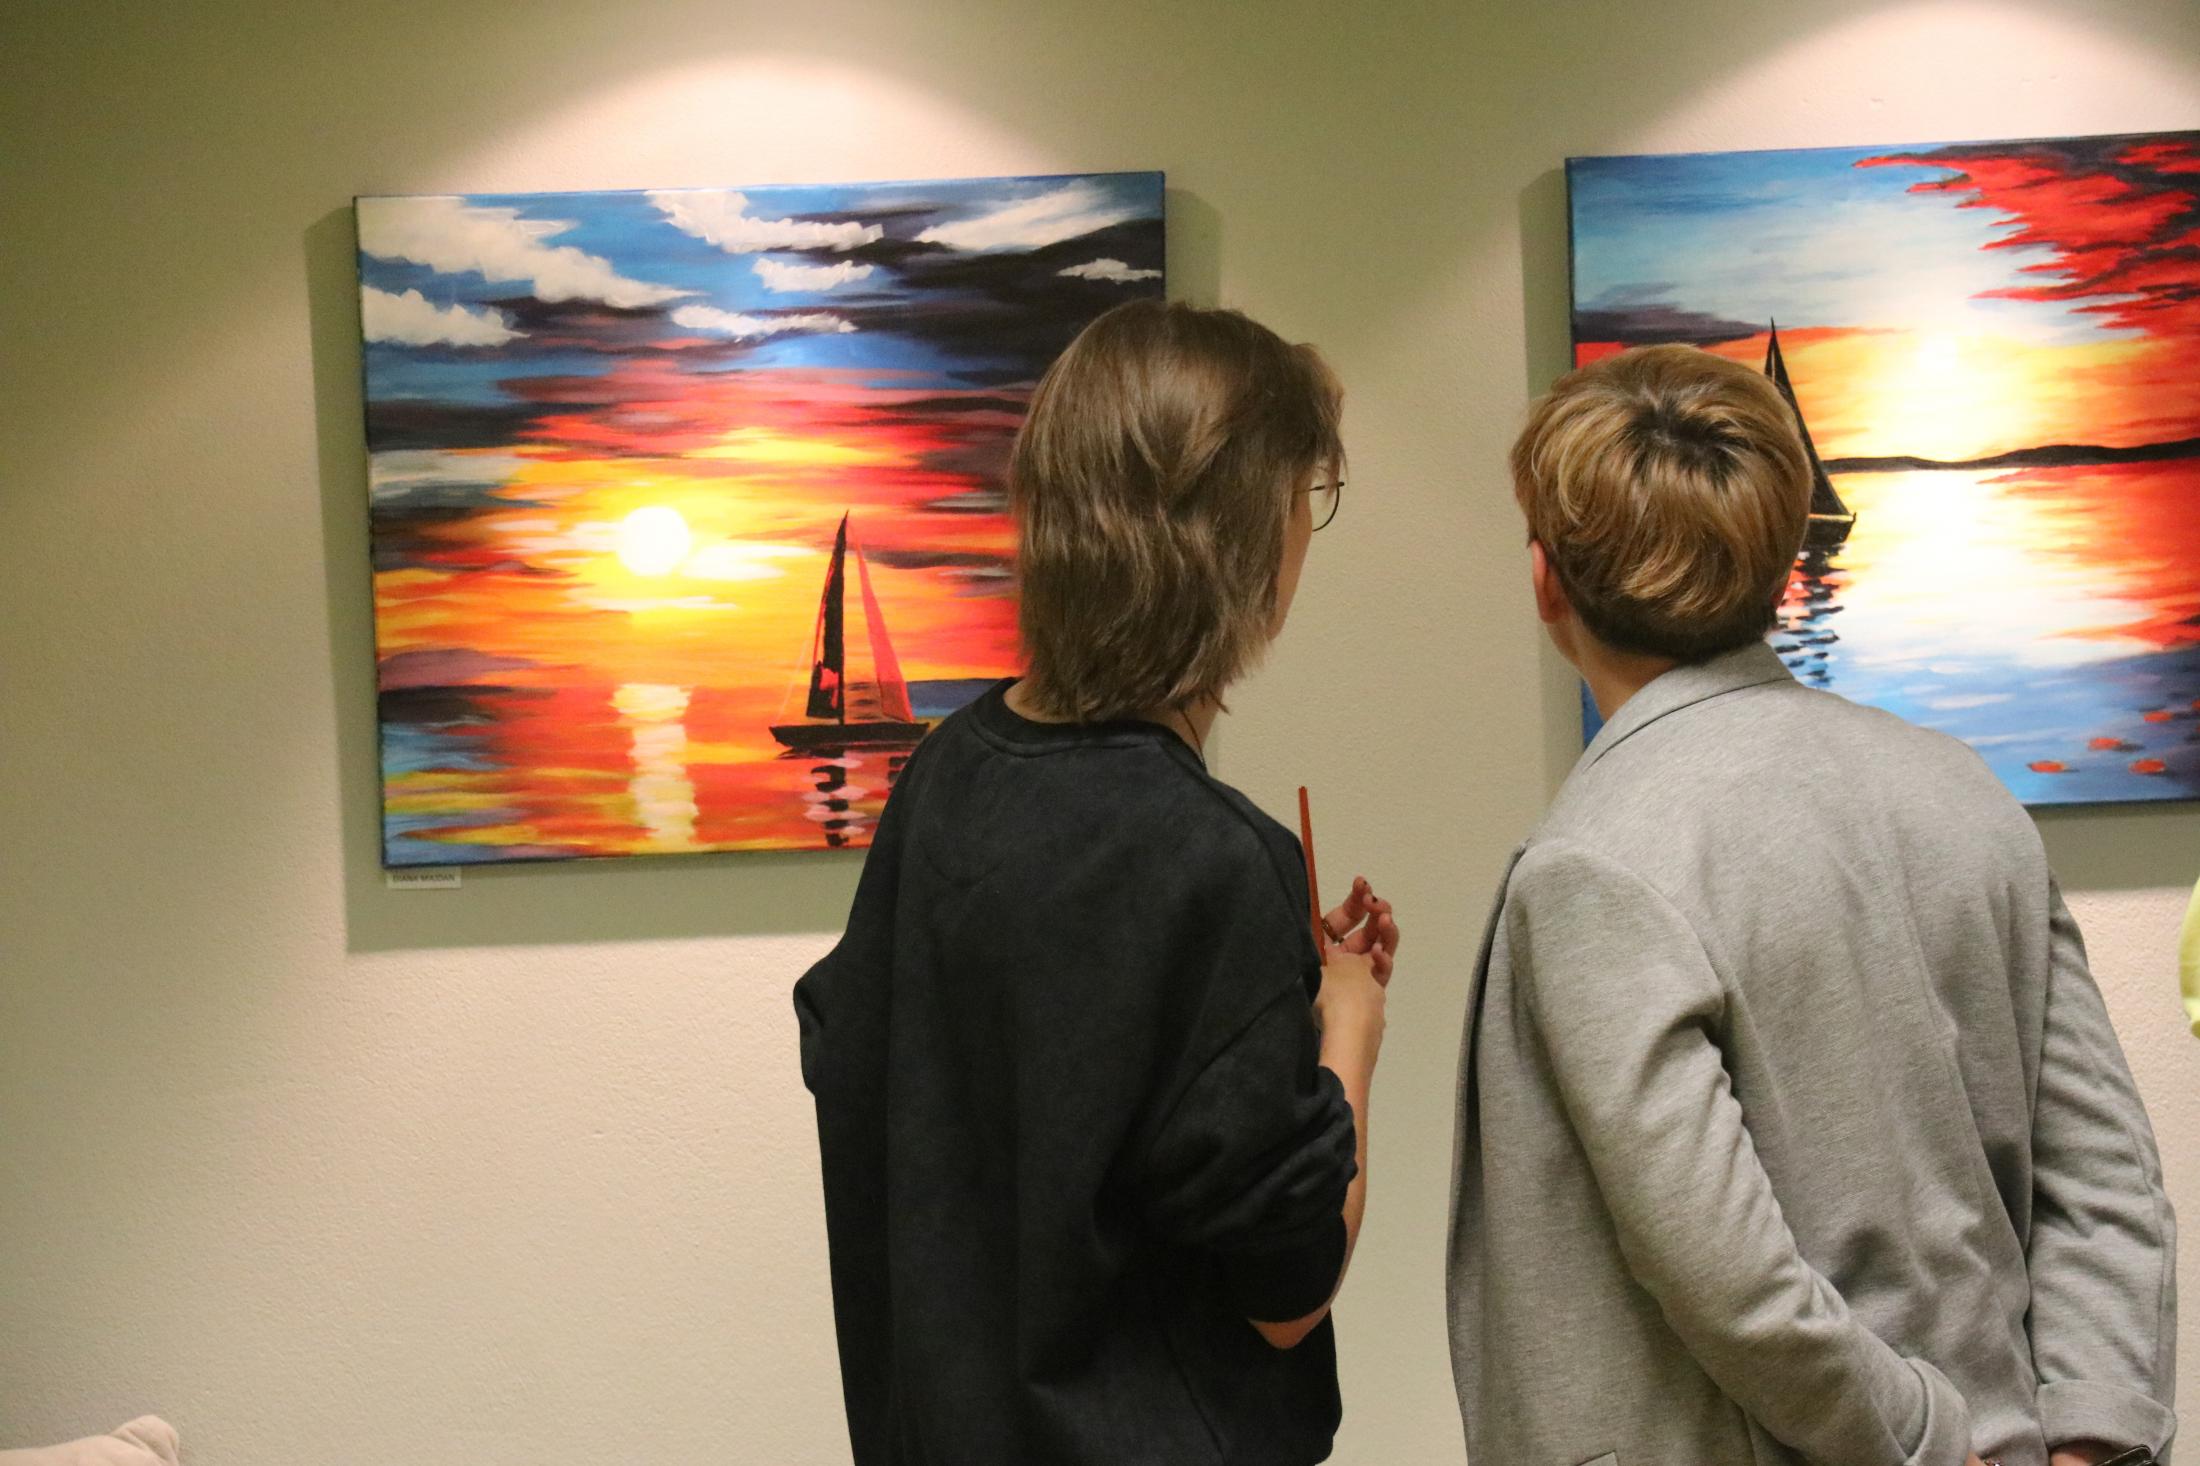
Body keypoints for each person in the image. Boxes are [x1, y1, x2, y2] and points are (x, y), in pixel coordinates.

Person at [1448, 344, 2176, 1466]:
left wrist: (1933, 1442)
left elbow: (1733, 1281)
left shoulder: (1593, 864)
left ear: (1547, 582)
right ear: (1784, 560)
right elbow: (2107, 1177)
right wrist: (2088, 1433)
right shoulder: (1962, 793)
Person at [796, 299, 1400, 1466]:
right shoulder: (1214, 858)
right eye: (1302, 495)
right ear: (1240, 534)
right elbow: (1289, 1283)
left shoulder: (946, 776)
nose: (1305, 531)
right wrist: (1348, 1024)